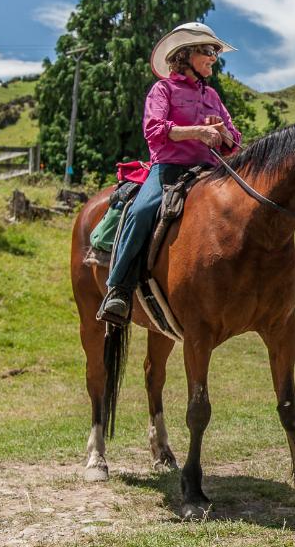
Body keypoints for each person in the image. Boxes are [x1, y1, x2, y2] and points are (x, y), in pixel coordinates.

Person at [96, 22, 242, 324]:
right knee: (141, 211)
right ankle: (119, 290)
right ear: (185, 55)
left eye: (215, 51)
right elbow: (154, 129)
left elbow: (235, 142)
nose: (214, 57)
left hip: (210, 171)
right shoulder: (163, 89)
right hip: (168, 169)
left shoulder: (212, 96)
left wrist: (222, 133)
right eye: (208, 51)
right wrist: (198, 131)